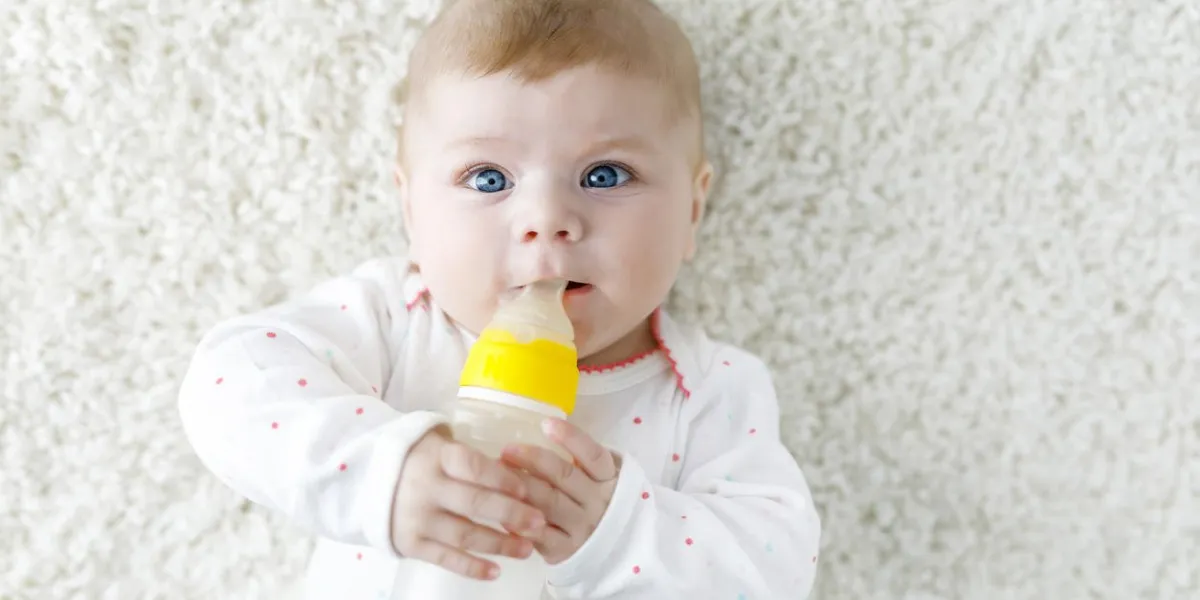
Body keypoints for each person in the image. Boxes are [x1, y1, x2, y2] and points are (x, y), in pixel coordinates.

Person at [177, 0, 822, 597]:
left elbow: (777, 564)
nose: (545, 218)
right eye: (489, 179)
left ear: (692, 209)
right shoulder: (394, 322)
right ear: (411, 209)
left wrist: (622, 532)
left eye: (605, 175)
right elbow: (230, 384)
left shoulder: (708, 391)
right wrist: (379, 472)